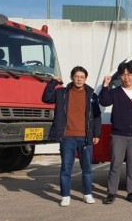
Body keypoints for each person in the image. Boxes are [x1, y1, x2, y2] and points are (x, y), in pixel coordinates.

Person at [42, 66, 101, 207]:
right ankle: (65, 196)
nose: (79, 79)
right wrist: (52, 82)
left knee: (87, 169)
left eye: (82, 77)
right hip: (67, 136)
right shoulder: (61, 93)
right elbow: (46, 98)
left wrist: (96, 133)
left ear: (85, 79)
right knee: (66, 168)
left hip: (85, 137)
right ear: (72, 77)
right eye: (76, 76)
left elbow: (97, 116)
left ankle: (87, 194)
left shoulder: (91, 94)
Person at [99, 62, 132, 204]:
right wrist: (105, 85)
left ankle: (131, 192)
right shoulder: (115, 92)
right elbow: (103, 102)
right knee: (115, 164)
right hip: (118, 135)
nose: (126, 78)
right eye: (123, 75)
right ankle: (111, 193)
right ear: (120, 77)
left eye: (129, 74)